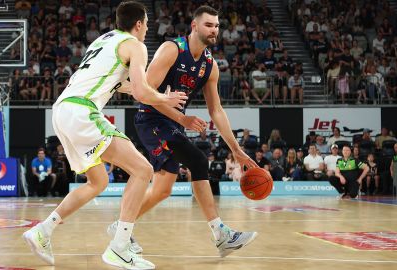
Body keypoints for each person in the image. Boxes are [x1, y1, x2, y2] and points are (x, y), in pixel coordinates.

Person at [22, 2, 187, 269]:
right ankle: (119, 247)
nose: (146, 29)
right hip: (82, 110)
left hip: (62, 110)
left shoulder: (105, 39)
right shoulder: (136, 45)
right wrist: (164, 97)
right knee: (143, 170)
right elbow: (144, 93)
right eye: (146, 24)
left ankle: (42, 231)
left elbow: (123, 84)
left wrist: (145, 90)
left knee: (97, 182)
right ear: (139, 24)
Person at [107, 5, 258, 259]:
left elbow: (216, 111)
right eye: (209, 25)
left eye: (217, 26)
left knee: (164, 189)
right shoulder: (172, 49)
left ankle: (119, 226)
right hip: (151, 119)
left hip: (173, 124)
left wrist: (236, 149)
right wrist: (182, 118)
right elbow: (144, 95)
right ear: (194, 26)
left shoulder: (210, 65)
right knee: (198, 161)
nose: (214, 30)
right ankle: (220, 235)